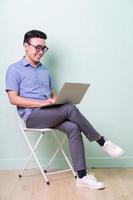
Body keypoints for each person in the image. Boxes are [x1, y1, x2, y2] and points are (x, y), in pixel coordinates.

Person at [6, 30, 124, 190]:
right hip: (32, 116)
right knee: (69, 108)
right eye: (38, 48)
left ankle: (82, 176)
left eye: (43, 49)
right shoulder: (14, 69)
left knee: (73, 127)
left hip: (50, 113)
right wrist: (39, 104)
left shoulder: (45, 70)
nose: (41, 52)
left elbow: (53, 93)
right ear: (26, 46)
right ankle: (102, 141)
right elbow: (13, 99)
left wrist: (56, 100)